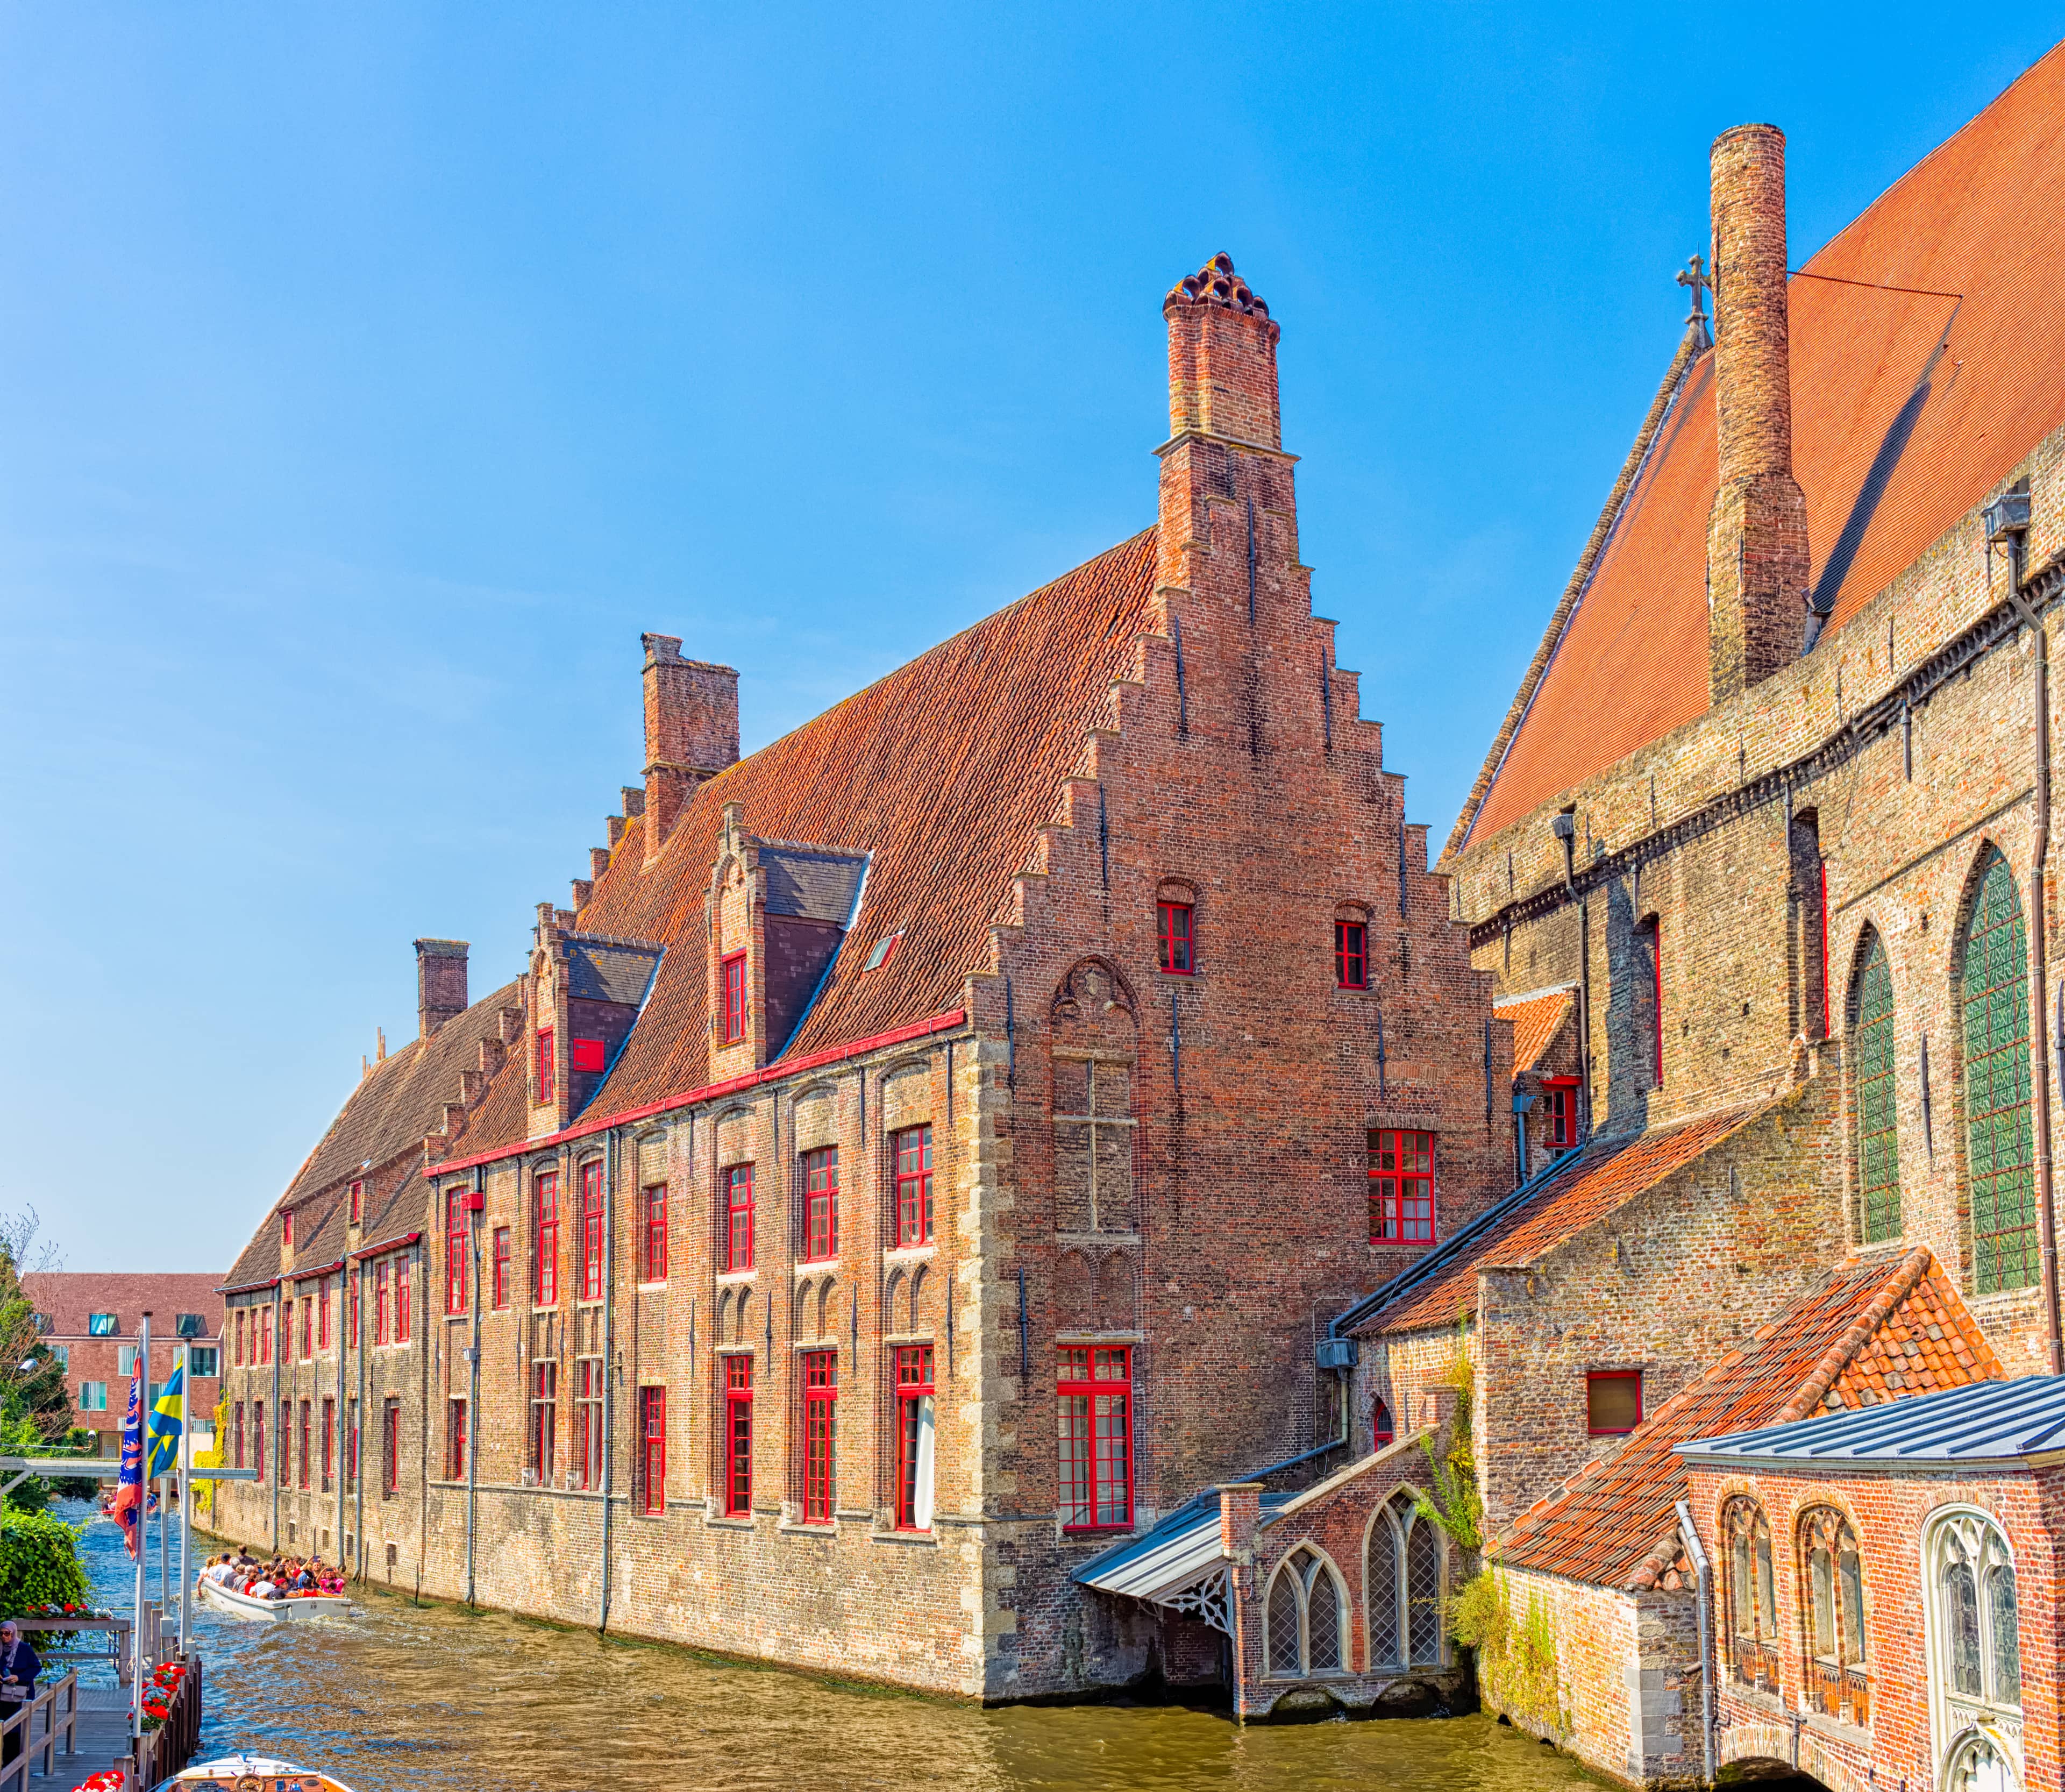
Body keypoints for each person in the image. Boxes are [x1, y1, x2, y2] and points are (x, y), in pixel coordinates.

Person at [0, 1620, 40, 1767]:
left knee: (15, 1728)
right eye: (2, 1634)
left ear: (13, 1633)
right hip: (1, 1694)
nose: (5, 1637)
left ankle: (13, 1761)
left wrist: (19, 1677)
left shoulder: (24, 1649)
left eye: (7, 1634)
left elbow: (36, 1667)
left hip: (20, 1693)